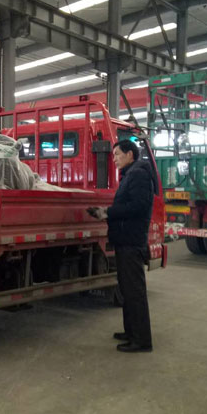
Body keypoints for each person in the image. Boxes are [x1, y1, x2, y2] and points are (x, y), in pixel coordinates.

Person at [88, 139, 154, 353]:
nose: (114, 158)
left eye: (117, 154)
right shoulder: (130, 174)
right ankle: (131, 332)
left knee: (134, 292)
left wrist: (108, 212)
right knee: (126, 289)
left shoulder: (139, 174)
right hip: (125, 240)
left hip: (131, 242)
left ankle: (141, 340)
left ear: (130, 154)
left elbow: (138, 206)